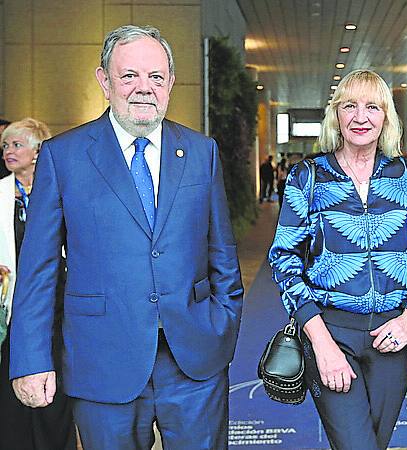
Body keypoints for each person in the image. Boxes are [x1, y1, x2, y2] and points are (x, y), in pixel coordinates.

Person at [9, 25, 243, 449]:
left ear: (171, 83)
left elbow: (222, 256)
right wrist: (30, 360)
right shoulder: (63, 157)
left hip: (194, 362)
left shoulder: (201, 152)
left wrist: (221, 328)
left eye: (156, 76)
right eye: (129, 75)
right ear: (104, 81)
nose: (144, 88)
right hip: (102, 363)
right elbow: (37, 270)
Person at [269, 69, 407, 450]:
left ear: (386, 116)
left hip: (394, 338)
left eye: (373, 107)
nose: (361, 117)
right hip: (330, 331)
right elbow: (284, 259)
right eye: (350, 106)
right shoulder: (309, 177)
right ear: (336, 115)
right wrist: (320, 342)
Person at [0, 119, 76, 450]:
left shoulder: (61, 188)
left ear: (37, 152)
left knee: (56, 384)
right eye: (5, 146)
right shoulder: (2, 194)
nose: (8, 151)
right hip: (12, 302)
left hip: (59, 301)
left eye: (17, 144)